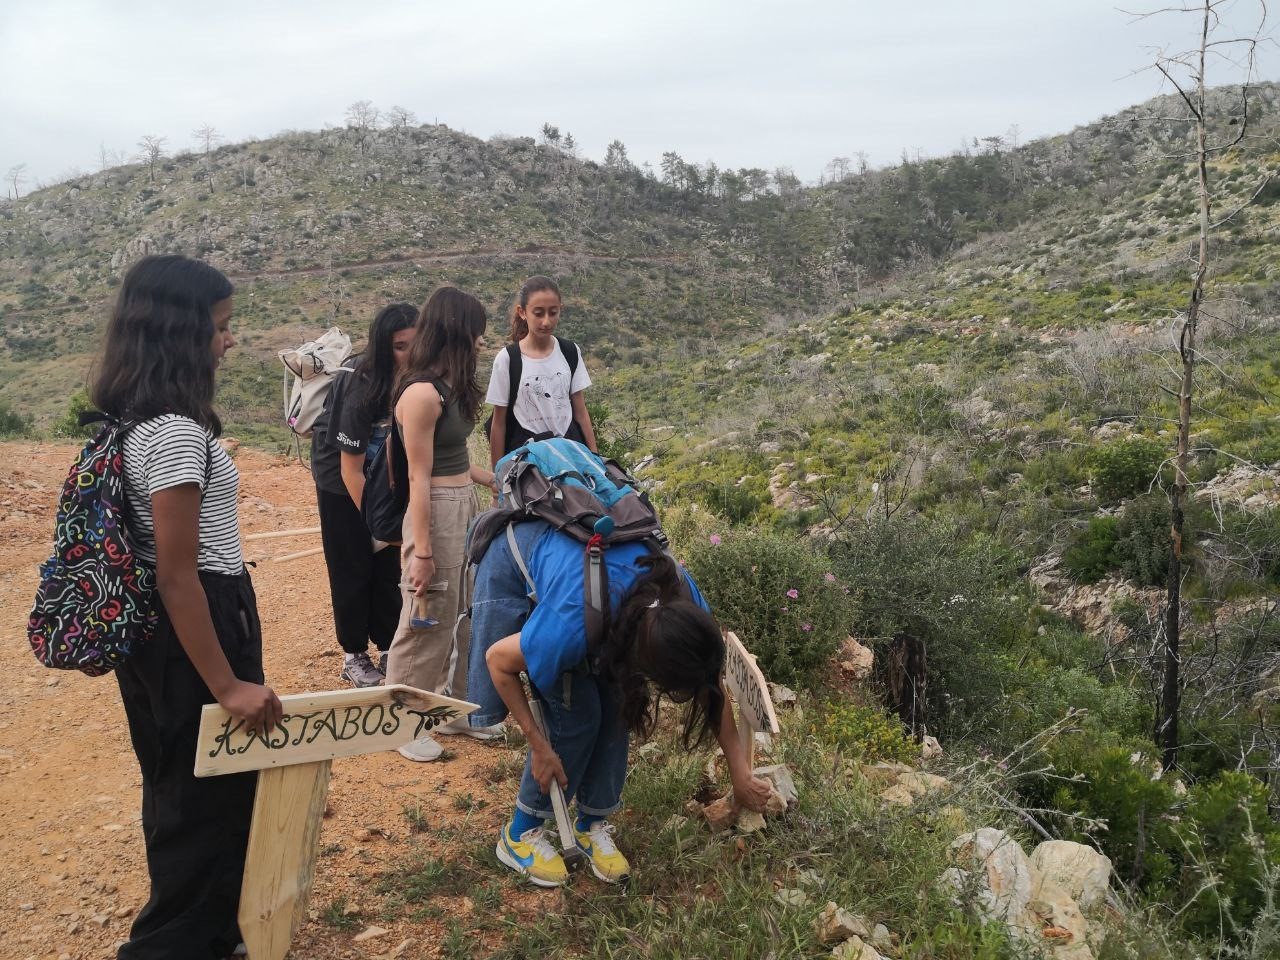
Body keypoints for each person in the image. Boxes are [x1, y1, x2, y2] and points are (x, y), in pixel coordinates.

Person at [91, 254, 282, 958]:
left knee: (185, 783)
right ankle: (172, 944)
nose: (228, 341)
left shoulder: (134, 419)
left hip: (164, 632)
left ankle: (214, 933)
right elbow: (178, 575)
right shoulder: (173, 433)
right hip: (195, 621)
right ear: (180, 332)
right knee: (204, 797)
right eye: (220, 326)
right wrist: (228, 685)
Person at [474, 519, 772, 887]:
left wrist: (740, 774)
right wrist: (538, 745)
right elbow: (498, 661)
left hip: (599, 594)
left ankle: (590, 825)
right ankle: (520, 833)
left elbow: (712, 689)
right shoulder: (570, 624)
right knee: (577, 712)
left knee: (619, 704)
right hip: (523, 555)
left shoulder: (685, 605)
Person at [385, 287, 505, 761]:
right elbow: (419, 476)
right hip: (434, 509)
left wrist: (489, 478)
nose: (480, 341)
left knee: (465, 612)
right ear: (455, 332)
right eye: (475, 332)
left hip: (463, 503)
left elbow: (449, 458)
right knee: (427, 614)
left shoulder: (447, 388)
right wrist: (423, 551)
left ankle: (452, 709)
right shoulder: (421, 394)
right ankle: (402, 723)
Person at [310, 303, 415, 687]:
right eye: (400, 347)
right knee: (351, 563)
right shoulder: (361, 381)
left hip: (383, 473)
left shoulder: (415, 378)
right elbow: (348, 467)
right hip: (340, 477)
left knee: (387, 564)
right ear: (383, 346)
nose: (409, 355)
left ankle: (389, 646)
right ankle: (353, 654)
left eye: (415, 345)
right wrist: (376, 521)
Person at [486, 275, 598, 468]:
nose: (546, 321)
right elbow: (499, 422)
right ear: (522, 312)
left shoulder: (570, 351)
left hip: (570, 453)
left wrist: (595, 458)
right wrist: (499, 473)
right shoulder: (507, 359)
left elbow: (581, 412)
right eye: (538, 313)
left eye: (553, 313)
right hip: (529, 461)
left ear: (561, 310)